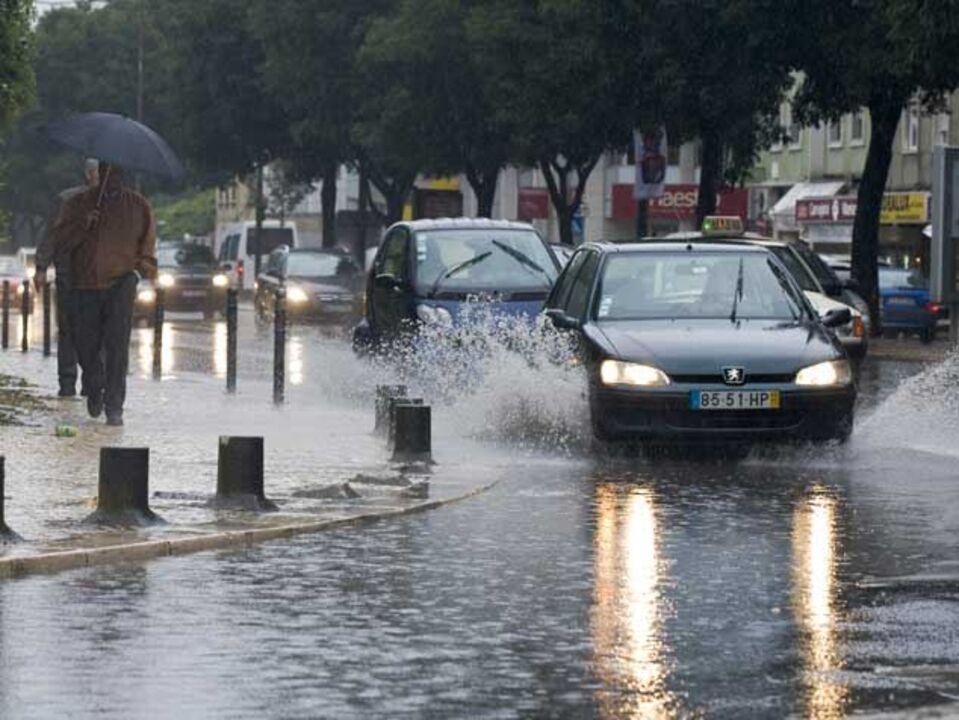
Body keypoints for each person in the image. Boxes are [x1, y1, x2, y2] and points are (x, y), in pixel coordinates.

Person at [47, 162, 157, 426]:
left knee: (117, 345)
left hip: (121, 283)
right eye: (110, 171)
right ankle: (94, 384)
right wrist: (83, 225)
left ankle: (115, 405)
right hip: (84, 284)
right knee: (85, 344)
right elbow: (59, 242)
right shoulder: (78, 204)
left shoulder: (139, 206)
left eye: (120, 172)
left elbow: (148, 243)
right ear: (100, 173)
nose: (114, 177)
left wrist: (141, 269)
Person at [35, 158, 100, 397]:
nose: (100, 178)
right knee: (69, 329)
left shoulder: (115, 204)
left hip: (99, 276)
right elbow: (52, 234)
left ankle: (92, 383)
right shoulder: (67, 200)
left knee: (98, 331)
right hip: (69, 273)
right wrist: (41, 266)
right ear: (88, 175)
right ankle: (67, 383)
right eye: (96, 173)